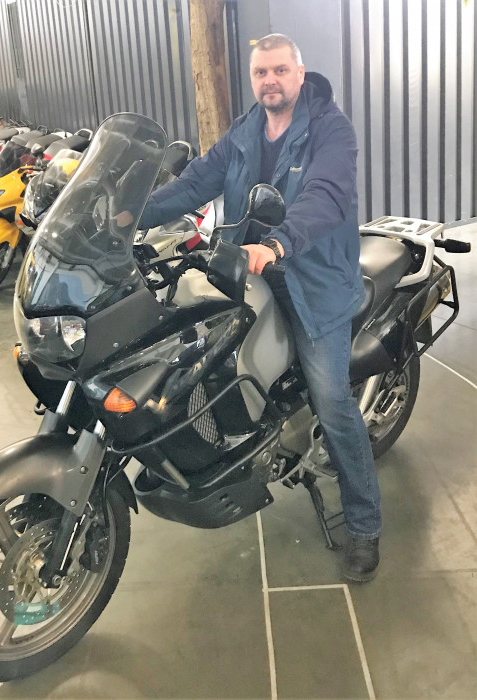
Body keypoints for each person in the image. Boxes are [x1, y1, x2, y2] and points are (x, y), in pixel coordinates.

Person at [138, 33, 381, 582]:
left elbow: (326, 194)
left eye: (279, 70)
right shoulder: (246, 130)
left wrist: (278, 243)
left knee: (332, 401)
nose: (270, 80)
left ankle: (365, 523)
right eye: (260, 72)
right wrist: (127, 216)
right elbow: (195, 182)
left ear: (299, 73)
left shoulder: (330, 128)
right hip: (247, 272)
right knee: (199, 351)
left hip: (313, 281)